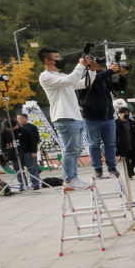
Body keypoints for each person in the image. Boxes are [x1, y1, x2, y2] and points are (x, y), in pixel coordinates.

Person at [38, 47, 92, 190]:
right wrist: (81, 65)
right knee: (69, 150)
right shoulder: (45, 76)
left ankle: (73, 178)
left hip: (75, 117)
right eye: (57, 56)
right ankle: (69, 180)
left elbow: (84, 83)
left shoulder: (61, 76)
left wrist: (91, 69)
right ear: (47, 60)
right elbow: (71, 80)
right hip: (64, 117)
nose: (60, 59)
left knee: (76, 151)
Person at [78, 58, 127, 179]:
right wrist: (110, 71)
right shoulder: (85, 77)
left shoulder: (105, 78)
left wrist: (122, 76)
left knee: (110, 144)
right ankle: (97, 168)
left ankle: (112, 167)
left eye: (102, 65)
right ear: (90, 65)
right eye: (97, 64)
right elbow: (94, 80)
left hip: (108, 117)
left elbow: (120, 88)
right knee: (94, 144)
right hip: (91, 118)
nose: (101, 67)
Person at [12, 113, 41, 188]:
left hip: (29, 150)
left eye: (21, 118)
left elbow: (35, 139)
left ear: (26, 118)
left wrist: (34, 150)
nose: (20, 120)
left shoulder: (32, 127)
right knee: (18, 169)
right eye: (18, 119)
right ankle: (22, 184)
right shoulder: (16, 128)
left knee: (32, 168)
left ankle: (35, 183)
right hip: (19, 151)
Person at [114, 108, 135, 180]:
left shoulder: (132, 122)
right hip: (122, 145)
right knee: (126, 160)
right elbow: (114, 134)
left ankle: (130, 170)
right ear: (120, 113)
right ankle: (129, 173)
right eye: (125, 113)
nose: (127, 115)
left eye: (128, 113)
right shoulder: (116, 123)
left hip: (133, 144)